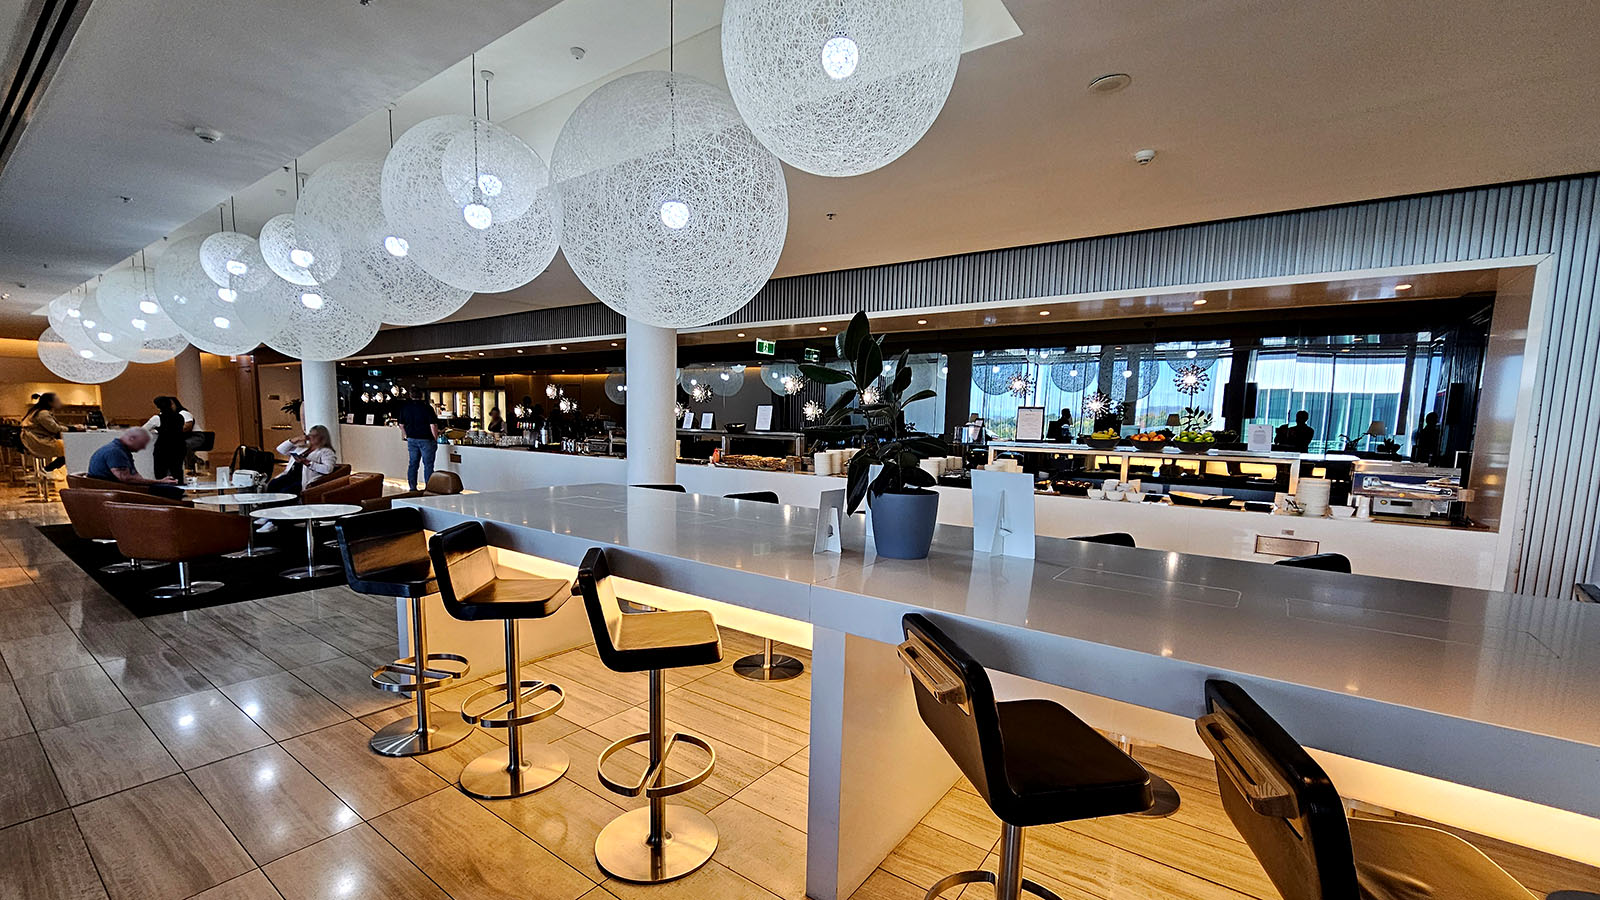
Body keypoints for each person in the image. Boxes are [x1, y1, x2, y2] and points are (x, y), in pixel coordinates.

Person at [258, 425, 339, 533]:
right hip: (290, 475)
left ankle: (275, 522)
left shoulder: (326, 452)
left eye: (315, 436)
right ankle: (270, 514)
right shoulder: (302, 447)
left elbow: (328, 469)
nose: (311, 438)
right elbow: (280, 449)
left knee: (285, 492)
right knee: (273, 485)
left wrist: (308, 463)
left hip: (303, 479)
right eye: (310, 435)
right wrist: (295, 439)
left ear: (322, 437)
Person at [86, 428, 179, 496]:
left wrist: (158, 482)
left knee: (170, 489)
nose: (143, 448)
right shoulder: (115, 452)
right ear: (131, 439)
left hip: (114, 489)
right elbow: (127, 479)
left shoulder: (120, 450)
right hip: (114, 492)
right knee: (172, 491)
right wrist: (159, 482)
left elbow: (134, 476)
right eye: (142, 444)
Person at [396, 389, 440, 491]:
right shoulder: (427, 408)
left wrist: (406, 435)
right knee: (428, 465)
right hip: (426, 439)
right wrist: (435, 438)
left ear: (410, 396)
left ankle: (412, 488)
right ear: (422, 396)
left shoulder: (405, 408)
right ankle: (429, 488)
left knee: (413, 464)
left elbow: (401, 425)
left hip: (412, 439)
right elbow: (433, 425)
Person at [142, 397, 189, 480]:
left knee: (161, 473)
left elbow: (142, 430)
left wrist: (156, 430)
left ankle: (162, 491)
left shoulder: (157, 418)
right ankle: (179, 490)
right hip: (179, 447)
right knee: (177, 472)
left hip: (163, 448)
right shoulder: (180, 417)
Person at [20, 392, 67, 470]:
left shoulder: (36, 411)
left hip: (30, 439)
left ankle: (49, 468)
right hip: (37, 441)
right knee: (69, 448)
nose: (60, 402)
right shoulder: (43, 413)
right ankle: (48, 469)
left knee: (67, 448)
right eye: (57, 400)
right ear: (50, 402)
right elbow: (55, 428)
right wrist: (72, 428)